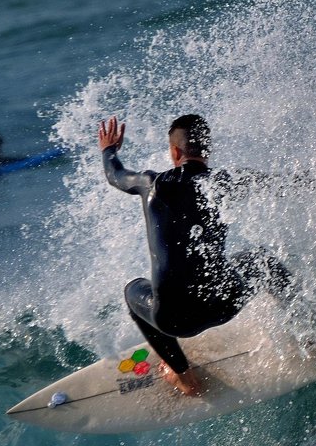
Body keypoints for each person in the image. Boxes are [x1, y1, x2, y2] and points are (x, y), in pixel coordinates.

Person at [99, 114, 294, 397]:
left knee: (133, 290)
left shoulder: (151, 184)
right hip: (225, 305)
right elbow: (278, 183)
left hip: (174, 320)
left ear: (175, 152)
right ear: (207, 151)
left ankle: (183, 375)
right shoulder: (224, 182)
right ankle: (314, 338)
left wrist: (108, 150)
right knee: (261, 262)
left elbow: (114, 175)